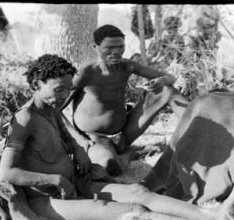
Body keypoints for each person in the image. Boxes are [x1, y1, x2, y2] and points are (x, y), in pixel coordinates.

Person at [0, 54, 234, 220]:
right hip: (46, 199)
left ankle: (213, 217)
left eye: (66, 90)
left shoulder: (51, 109)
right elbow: (6, 173)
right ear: (35, 86)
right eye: (57, 90)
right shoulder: (25, 118)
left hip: (76, 184)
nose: (63, 96)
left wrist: (80, 154)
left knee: (139, 192)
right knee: (133, 211)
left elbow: (67, 137)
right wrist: (53, 180)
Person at [69, 24, 177, 162]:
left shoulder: (128, 66)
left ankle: (202, 128)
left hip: (125, 133)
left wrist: (160, 81)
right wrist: (79, 139)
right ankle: (129, 154)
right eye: (109, 48)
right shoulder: (86, 73)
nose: (116, 52)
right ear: (95, 47)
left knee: (167, 90)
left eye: (120, 47)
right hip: (94, 136)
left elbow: (170, 78)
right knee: (109, 164)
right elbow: (55, 109)